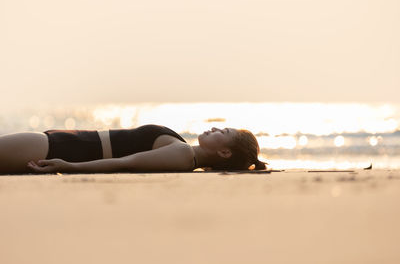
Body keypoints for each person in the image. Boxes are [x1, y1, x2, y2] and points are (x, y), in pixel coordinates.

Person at [0, 124, 266, 174]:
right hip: (61, 142)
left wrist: (69, 166)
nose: (216, 128)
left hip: (58, 148)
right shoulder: (183, 150)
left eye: (224, 132)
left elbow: (126, 162)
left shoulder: (184, 155)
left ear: (225, 153)